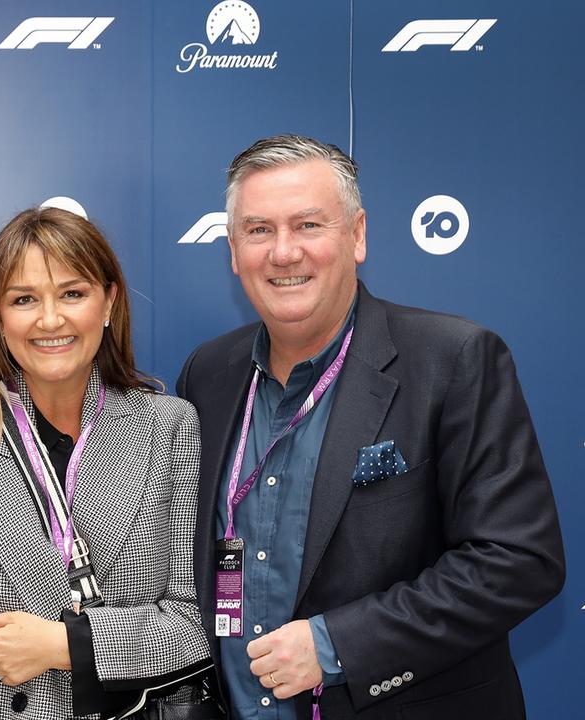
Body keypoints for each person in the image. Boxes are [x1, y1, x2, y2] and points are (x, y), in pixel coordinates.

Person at [176, 134, 566, 719]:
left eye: (308, 225)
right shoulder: (208, 374)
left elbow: (517, 560)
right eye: (259, 230)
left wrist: (336, 645)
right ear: (233, 251)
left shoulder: (453, 359)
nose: (284, 253)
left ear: (357, 235)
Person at [0, 207, 214, 720]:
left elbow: (195, 624)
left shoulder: (171, 426)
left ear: (109, 302)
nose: (50, 320)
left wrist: (67, 644)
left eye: (72, 293)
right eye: (24, 300)